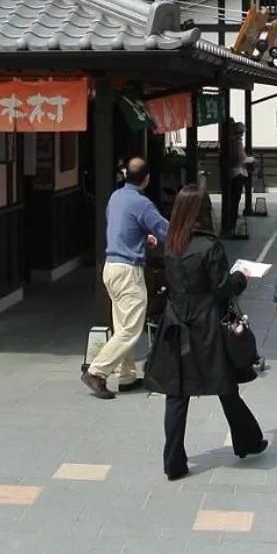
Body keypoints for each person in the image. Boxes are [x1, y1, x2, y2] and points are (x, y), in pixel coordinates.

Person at [143, 186, 267, 480]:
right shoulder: (210, 246)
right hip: (207, 324)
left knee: (176, 393)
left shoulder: (171, 243)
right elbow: (221, 290)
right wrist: (241, 278)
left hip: (175, 323)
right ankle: (247, 440)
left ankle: (173, 462)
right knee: (224, 385)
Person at [83, 158, 169, 399]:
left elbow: (122, 228)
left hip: (111, 267)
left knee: (121, 324)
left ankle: (127, 376)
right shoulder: (142, 203)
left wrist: (143, 239)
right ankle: (97, 371)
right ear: (147, 178)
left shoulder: (116, 198)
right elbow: (164, 230)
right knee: (130, 329)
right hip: (128, 269)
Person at [220, 121, 248, 238]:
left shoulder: (229, 142)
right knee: (234, 199)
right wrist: (247, 160)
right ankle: (231, 223)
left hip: (232, 173)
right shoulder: (237, 143)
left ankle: (231, 222)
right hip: (237, 172)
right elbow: (239, 157)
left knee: (232, 199)